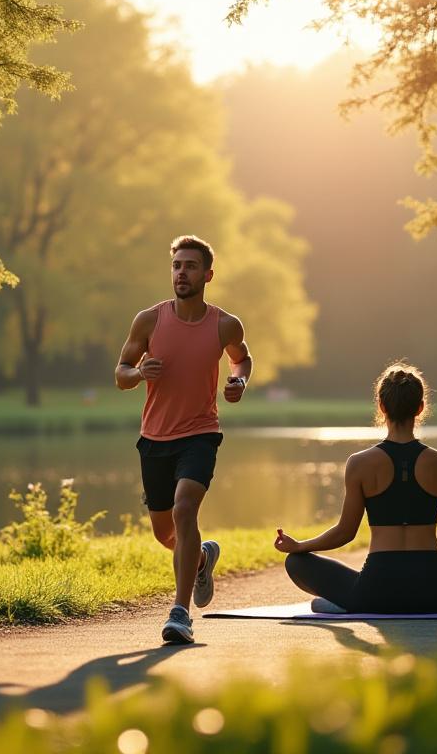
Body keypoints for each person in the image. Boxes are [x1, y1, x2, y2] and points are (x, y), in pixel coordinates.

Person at [275, 364, 437, 614]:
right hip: (435, 589)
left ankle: (348, 603)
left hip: (374, 591)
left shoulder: (359, 463)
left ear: (382, 407)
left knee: (296, 562)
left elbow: (345, 533)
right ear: (420, 408)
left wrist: (299, 547)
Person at [115, 235, 252, 644]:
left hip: (200, 433)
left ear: (207, 275)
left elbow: (242, 357)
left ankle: (180, 614)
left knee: (184, 508)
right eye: (177, 265)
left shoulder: (225, 323)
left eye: (191, 266)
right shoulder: (149, 320)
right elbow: (120, 373)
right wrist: (140, 373)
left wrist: (238, 381)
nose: (182, 272)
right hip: (154, 439)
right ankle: (202, 558)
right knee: (165, 533)